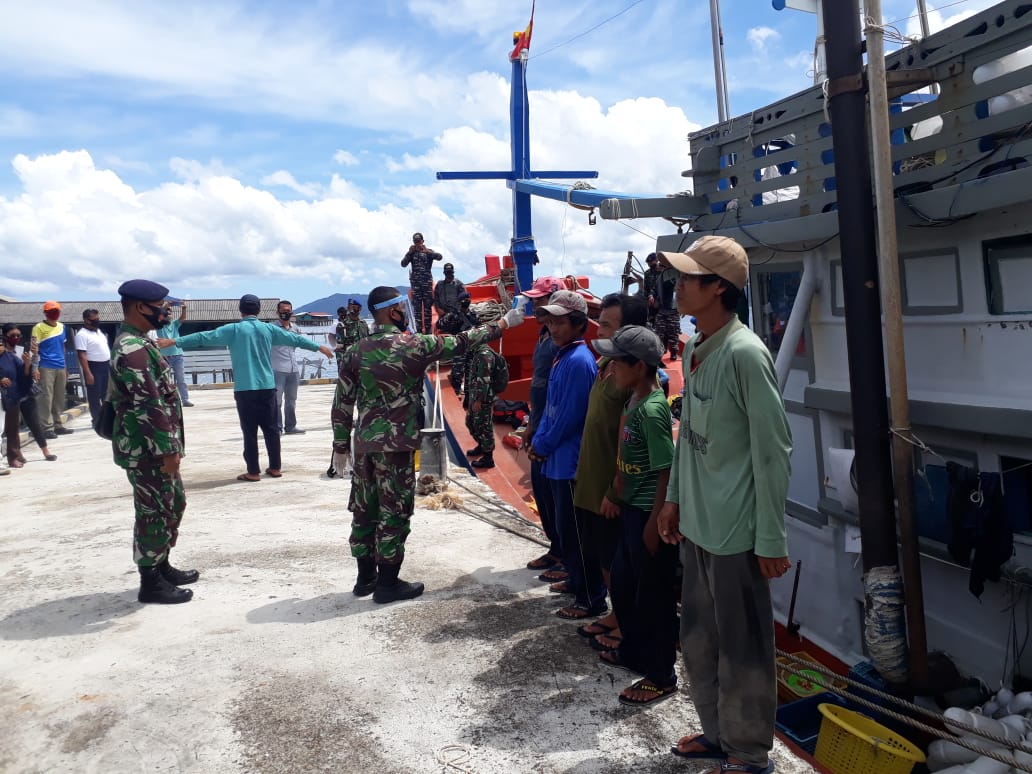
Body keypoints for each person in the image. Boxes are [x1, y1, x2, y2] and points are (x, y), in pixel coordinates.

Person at [656, 236, 792, 774]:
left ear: (719, 288)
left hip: (736, 533)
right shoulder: (695, 348)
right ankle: (719, 736)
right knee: (699, 643)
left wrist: (772, 538)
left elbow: (774, 451)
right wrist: (672, 501)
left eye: (689, 278)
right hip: (697, 526)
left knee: (744, 652)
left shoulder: (745, 354)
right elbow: (689, 434)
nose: (679, 286)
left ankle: (749, 756)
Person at [331, 286, 525, 604]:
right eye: (402, 308)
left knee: (364, 509)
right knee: (394, 512)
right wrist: (502, 324)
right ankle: (388, 584)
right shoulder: (415, 345)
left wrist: (340, 446)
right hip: (397, 445)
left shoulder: (356, 350)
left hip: (364, 445)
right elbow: (463, 341)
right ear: (393, 312)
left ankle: (365, 578)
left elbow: (342, 402)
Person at [592, 325, 679, 707]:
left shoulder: (653, 410)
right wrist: (615, 494)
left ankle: (661, 674)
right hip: (630, 510)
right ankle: (634, 651)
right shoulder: (632, 400)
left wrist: (654, 521)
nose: (609, 368)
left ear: (639, 366)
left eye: (616, 362)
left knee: (654, 597)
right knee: (625, 586)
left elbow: (666, 469)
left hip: (647, 515)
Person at [160, 294, 333, 481]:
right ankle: (275, 468)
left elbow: (203, 337)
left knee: (250, 432)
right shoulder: (268, 329)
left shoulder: (233, 329)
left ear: (241, 310)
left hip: (245, 388)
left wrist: (174, 341)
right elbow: (295, 340)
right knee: (272, 429)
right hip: (268, 386)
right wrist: (319, 348)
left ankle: (253, 471)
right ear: (258, 310)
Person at [110, 279, 197, 605]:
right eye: (162, 304)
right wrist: (168, 450)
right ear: (139, 307)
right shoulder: (132, 349)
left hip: (153, 447)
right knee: (153, 511)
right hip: (148, 450)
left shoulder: (140, 343)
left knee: (171, 504)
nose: (167, 310)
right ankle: (150, 581)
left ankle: (161, 565)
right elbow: (150, 406)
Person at [566, 293, 648, 630]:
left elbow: (631, 440)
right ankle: (617, 614)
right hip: (590, 482)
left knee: (618, 559)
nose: (598, 331)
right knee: (601, 554)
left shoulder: (631, 379)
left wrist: (615, 489)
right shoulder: (603, 365)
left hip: (611, 490)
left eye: (607, 325)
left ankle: (624, 620)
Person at [525, 290, 603, 619]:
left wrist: (541, 445)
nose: (552, 328)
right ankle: (575, 581)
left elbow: (570, 416)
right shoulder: (563, 356)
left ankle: (590, 598)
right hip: (556, 459)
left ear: (577, 324)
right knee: (563, 526)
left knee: (575, 533)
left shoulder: (578, 361)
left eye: (559, 322)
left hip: (569, 462)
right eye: (550, 322)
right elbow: (550, 411)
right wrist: (539, 440)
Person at [1, 323, 56, 467]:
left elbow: (32, 365)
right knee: (12, 427)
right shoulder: (2, 353)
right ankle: (17, 454)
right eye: (13, 335)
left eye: (18, 335)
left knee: (34, 422)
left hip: (25, 390)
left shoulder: (21, 350)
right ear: (5, 336)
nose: (16, 338)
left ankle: (45, 451)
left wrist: (35, 356)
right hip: (11, 394)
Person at [32, 301, 73, 438]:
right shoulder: (38, 327)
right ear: (46, 313)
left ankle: (58, 424)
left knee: (59, 397)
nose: (54, 314)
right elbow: (34, 348)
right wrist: (35, 368)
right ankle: (47, 427)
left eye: (56, 311)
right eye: (51, 311)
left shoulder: (62, 327)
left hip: (60, 365)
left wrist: (66, 366)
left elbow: (63, 347)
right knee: (46, 397)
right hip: (45, 366)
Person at [463, 340, 500, 469]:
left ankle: (488, 458)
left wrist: (479, 400)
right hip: (476, 395)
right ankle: (481, 446)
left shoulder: (484, 354)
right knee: (470, 422)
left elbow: (484, 379)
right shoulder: (477, 352)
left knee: (484, 426)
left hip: (483, 398)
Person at [272, 300, 306, 435]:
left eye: (288, 311)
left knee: (291, 401)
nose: (285, 313)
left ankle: (291, 427)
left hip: (293, 369)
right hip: (277, 369)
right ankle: (277, 428)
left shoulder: (295, 328)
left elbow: (298, 344)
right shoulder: (272, 329)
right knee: (277, 401)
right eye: (283, 311)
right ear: (277, 312)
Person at [74, 308, 112, 428]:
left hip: (105, 365)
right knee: (95, 397)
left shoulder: (98, 331)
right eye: (93, 320)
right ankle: (96, 420)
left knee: (106, 395)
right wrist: (88, 373)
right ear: (86, 320)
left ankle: (107, 418)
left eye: (97, 319)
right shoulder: (82, 335)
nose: (96, 321)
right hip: (93, 367)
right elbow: (82, 355)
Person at [436, 291, 478, 395]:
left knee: (471, 370)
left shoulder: (473, 314)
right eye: (464, 300)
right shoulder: (453, 314)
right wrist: (450, 318)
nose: (466, 302)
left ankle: (469, 395)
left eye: (468, 299)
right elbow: (439, 325)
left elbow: (479, 326)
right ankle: (456, 390)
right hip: (459, 345)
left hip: (472, 345)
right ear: (460, 302)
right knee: (458, 371)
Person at [401, 231, 442, 334]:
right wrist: (409, 252)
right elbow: (403, 264)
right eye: (415, 242)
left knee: (427, 308)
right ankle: (418, 332)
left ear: (423, 241)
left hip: (427, 284)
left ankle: (428, 332)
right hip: (416, 286)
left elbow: (440, 257)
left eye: (419, 241)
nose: (417, 244)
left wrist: (428, 251)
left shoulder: (428, 252)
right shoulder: (411, 253)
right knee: (417, 309)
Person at [157, 299, 193, 407]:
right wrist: (165, 306)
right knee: (165, 380)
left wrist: (184, 308)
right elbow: (158, 314)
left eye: (170, 312)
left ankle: (185, 400)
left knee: (181, 379)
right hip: (164, 356)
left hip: (177, 355)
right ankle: (167, 401)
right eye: (167, 312)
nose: (169, 313)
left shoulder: (174, 324)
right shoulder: (159, 325)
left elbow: (182, 318)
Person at [652, 257, 681, 361]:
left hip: (673, 311)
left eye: (661, 265)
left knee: (673, 334)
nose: (658, 266)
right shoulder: (661, 277)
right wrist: (653, 297)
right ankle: (660, 352)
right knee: (659, 333)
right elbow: (655, 290)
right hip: (662, 309)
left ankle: (673, 353)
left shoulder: (677, 275)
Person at [642, 253, 662, 330]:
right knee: (650, 322)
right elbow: (646, 288)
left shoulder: (662, 272)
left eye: (651, 262)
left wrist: (658, 300)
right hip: (650, 302)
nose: (650, 264)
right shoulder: (647, 273)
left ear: (657, 260)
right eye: (648, 263)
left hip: (661, 303)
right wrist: (647, 300)